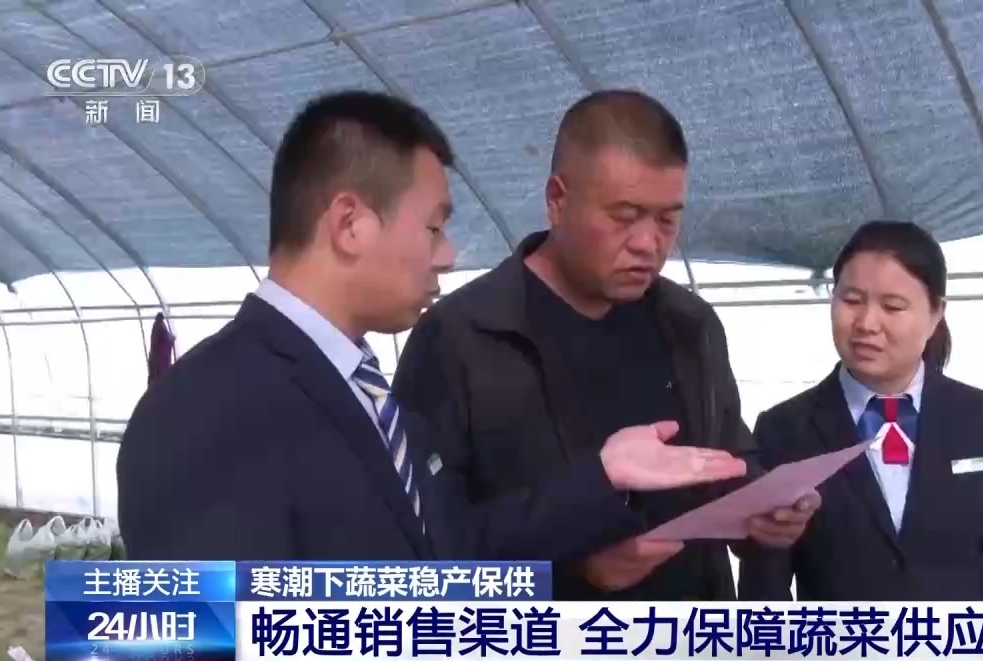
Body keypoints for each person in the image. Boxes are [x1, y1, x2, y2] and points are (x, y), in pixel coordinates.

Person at [115, 90, 750, 562]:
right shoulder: (204, 408)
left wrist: (602, 478)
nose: (446, 255)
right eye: (433, 227)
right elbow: (200, 636)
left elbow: (451, 556)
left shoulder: (369, 398)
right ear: (350, 224)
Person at [392, 89, 817, 600]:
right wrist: (573, 571)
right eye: (624, 216)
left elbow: (727, 452)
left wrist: (760, 505)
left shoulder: (690, 325)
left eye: (667, 219)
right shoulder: (461, 338)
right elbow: (423, 549)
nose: (648, 243)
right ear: (557, 200)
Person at [736, 220, 983, 601]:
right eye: (852, 300)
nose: (867, 324)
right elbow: (764, 591)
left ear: (936, 314)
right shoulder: (785, 429)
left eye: (893, 306)